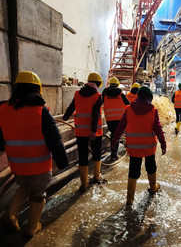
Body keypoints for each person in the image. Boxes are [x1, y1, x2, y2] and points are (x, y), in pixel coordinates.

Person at [0, 71, 69, 237]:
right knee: (37, 194)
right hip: (39, 166)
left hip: (17, 164)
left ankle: (11, 215)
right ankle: (32, 228)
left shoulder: (2, 109)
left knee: (23, 186)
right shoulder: (41, 111)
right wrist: (62, 162)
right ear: (38, 89)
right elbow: (55, 140)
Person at [112, 86, 166, 205]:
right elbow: (158, 129)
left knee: (133, 170)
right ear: (149, 98)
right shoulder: (153, 111)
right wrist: (163, 143)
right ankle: (153, 188)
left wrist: (114, 140)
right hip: (149, 147)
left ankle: (129, 199)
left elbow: (120, 127)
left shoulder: (128, 109)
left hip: (134, 147)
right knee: (151, 166)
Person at [63, 72, 105, 192]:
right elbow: (96, 115)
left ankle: (84, 183)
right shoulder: (98, 96)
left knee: (82, 155)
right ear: (97, 84)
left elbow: (71, 107)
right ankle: (96, 177)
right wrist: (92, 131)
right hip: (94, 132)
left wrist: (65, 117)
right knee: (97, 153)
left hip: (80, 131)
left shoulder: (77, 93)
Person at [102, 77, 130, 160]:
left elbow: (100, 102)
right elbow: (128, 104)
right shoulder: (120, 93)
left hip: (109, 119)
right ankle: (114, 154)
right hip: (120, 119)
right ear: (117, 84)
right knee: (116, 135)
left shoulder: (105, 92)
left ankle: (113, 153)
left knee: (113, 135)